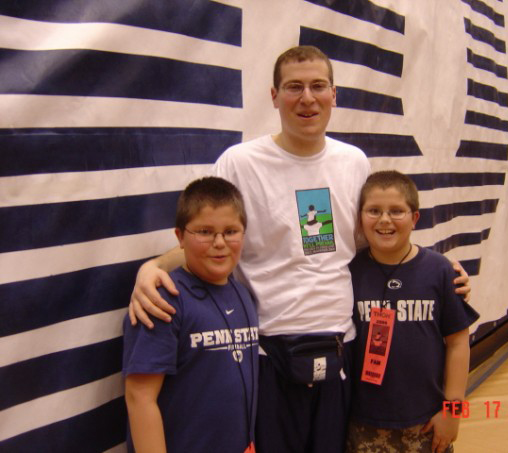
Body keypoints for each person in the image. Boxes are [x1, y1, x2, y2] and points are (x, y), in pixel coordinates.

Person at [127, 46, 471, 453]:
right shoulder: (240, 163)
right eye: (294, 87)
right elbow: (208, 237)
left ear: (334, 95)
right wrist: (151, 267)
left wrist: (435, 266)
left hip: (342, 350)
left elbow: (376, 237)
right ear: (274, 96)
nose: (307, 98)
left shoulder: (353, 162)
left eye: (317, 86)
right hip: (268, 355)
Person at [346, 170, 479, 453]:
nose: (384, 220)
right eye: (374, 211)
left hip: (426, 424)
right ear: (360, 218)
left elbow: (458, 343)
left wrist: (453, 410)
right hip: (361, 424)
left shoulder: (441, 270)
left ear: (415, 218)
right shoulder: (349, 272)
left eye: (396, 211)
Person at [122, 177, 258, 453]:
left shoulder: (244, 294)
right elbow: (139, 397)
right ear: (180, 237)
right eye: (205, 232)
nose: (219, 242)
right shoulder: (162, 299)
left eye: (231, 231)